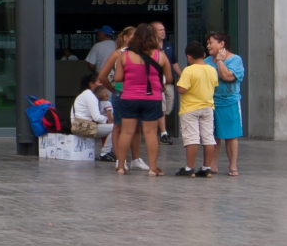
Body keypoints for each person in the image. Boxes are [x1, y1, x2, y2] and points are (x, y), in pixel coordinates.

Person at [111, 22, 170, 176]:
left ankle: (121, 167)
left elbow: (117, 78)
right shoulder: (160, 55)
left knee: (126, 132)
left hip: (130, 97)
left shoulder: (125, 55)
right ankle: (152, 168)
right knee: (150, 133)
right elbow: (169, 78)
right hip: (152, 99)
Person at [172, 40, 221, 177]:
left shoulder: (189, 70)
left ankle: (189, 169)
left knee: (192, 138)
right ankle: (206, 168)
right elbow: (214, 85)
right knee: (208, 138)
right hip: (207, 107)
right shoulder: (212, 69)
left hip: (190, 109)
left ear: (189, 57)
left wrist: (178, 85)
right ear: (204, 54)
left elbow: (182, 89)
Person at [207, 32, 246, 176]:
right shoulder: (206, 61)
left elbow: (227, 76)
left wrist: (220, 61)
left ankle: (233, 165)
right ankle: (212, 164)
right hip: (211, 102)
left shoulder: (236, 60)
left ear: (222, 44)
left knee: (231, 135)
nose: (208, 46)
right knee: (213, 135)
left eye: (211, 42)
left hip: (230, 101)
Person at [68, 80, 115, 160]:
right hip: (83, 127)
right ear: (92, 84)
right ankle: (105, 153)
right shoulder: (90, 96)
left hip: (81, 125)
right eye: (100, 82)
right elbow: (96, 117)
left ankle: (108, 151)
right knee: (116, 128)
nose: (102, 85)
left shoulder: (86, 94)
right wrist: (109, 119)